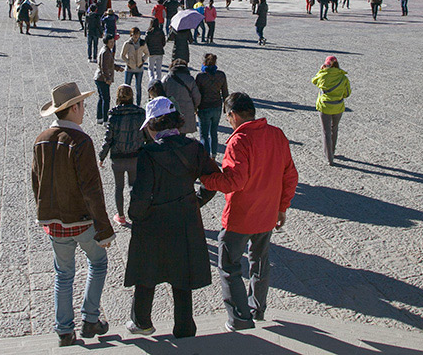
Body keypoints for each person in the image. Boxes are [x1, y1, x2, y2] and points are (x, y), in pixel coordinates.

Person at [200, 92, 298, 331]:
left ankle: (240, 317)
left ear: (233, 114)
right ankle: (257, 308)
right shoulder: (276, 134)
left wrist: (207, 179)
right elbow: (290, 175)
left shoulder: (239, 140)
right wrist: (281, 207)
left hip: (241, 217)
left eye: (228, 117)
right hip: (267, 214)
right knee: (260, 262)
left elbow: (235, 181)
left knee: (229, 266)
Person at [124, 97, 221, 338]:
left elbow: (142, 192)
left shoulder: (148, 153)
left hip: (154, 220)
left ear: (154, 124)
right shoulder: (195, 148)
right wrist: (197, 201)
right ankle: (185, 327)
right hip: (185, 218)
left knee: (147, 271)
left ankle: (142, 321)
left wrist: (135, 214)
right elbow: (213, 179)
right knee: (182, 274)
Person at [32, 83, 115, 346]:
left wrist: (44, 212)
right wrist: (104, 229)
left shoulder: (41, 139)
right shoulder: (81, 141)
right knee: (98, 262)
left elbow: (36, 180)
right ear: (75, 108)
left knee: (63, 274)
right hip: (81, 221)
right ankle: (90, 318)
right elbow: (92, 189)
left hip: (54, 224)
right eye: (82, 106)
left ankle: (64, 330)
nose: (84, 111)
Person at [99, 85, 148, 226]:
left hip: (118, 157)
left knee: (118, 187)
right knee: (134, 186)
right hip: (135, 156)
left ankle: (120, 216)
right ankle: (136, 213)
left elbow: (108, 139)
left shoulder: (113, 116)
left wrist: (102, 156)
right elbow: (146, 135)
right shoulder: (140, 114)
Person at [311, 56, 351, 165]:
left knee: (326, 132)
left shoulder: (324, 76)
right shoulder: (343, 78)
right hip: (338, 106)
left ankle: (329, 157)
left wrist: (321, 70)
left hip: (324, 106)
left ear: (326, 65)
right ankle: (332, 151)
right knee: (335, 129)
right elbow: (347, 93)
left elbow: (314, 81)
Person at [195, 53, 229, 157]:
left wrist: (195, 107)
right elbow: (225, 93)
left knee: (204, 135)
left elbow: (197, 94)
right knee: (214, 133)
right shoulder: (221, 75)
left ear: (204, 63)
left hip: (204, 107)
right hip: (217, 106)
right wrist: (225, 108)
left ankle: (206, 157)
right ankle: (213, 155)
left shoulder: (200, 76)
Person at [161, 58, 200, 136]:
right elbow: (197, 97)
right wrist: (194, 107)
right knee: (182, 134)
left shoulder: (167, 78)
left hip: (170, 111)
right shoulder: (190, 79)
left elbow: (161, 95)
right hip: (186, 111)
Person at [95, 36, 120, 124]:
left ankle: (99, 117)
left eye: (113, 42)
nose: (112, 44)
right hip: (102, 79)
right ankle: (105, 119)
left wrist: (117, 68)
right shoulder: (106, 51)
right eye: (110, 42)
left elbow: (109, 64)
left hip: (99, 77)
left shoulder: (106, 50)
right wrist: (107, 78)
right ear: (106, 42)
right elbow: (104, 67)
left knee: (101, 98)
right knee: (106, 99)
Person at [121, 28, 146, 106]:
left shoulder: (142, 43)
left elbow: (147, 53)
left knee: (138, 87)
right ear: (131, 34)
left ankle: (138, 104)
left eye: (137, 34)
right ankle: (126, 103)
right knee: (127, 87)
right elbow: (122, 55)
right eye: (134, 34)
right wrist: (128, 62)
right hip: (129, 68)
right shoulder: (127, 43)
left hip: (139, 68)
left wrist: (143, 60)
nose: (136, 36)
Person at [144, 19, 166, 84]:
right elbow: (163, 42)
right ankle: (158, 81)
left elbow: (145, 42)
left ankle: (151, 80)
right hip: (160, 52)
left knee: (151, 68)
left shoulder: (149, 32)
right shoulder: (161, 31)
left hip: (151, 52)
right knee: (158, 69)